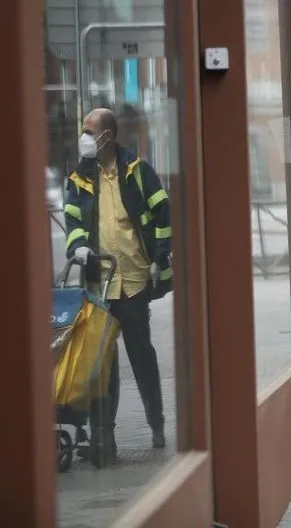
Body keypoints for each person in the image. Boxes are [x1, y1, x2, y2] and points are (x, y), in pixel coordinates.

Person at [63, 108, 173, 466]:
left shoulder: (137, 172)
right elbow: (73, 218)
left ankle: (156, 423)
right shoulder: (79, 177)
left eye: (88, 131)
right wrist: (77, 246)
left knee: (142, 357)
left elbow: (163, 213)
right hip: (100, 285)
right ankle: (105, 437)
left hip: (134, 280)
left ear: (106, 136)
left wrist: (159, 256)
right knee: (104, 364)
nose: (84, 137)